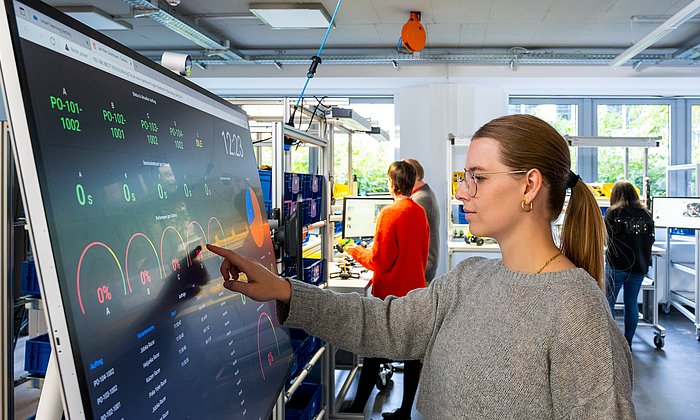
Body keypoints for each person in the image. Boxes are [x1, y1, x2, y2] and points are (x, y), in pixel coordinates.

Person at [207, 114, 635, 419]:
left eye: (477, 178)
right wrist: (285, 290)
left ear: (529, 185)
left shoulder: (577, 310)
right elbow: (386, 324)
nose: (463, 192)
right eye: (464, 177)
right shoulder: (471, 278)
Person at [344, 161, 429, 418]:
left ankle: (358, 406)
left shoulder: (390, 214)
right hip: (416, 293)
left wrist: (353, 249)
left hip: (390, 297)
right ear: (413, 182)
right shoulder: (418, 212)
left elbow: (379, 261)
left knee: (373, 351)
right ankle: (405, 411)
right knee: (412, 356)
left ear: (391, 184)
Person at [604, 180, 655, 348]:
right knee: (631, 303)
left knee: (609, 302)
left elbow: (605, 238)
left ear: (615, 195)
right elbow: (651, 239)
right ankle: (628, 342)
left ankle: (612, 343)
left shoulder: (613, 213)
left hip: (617, 265)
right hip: (639, 267)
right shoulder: (646, 214)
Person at [404, 158, 441, 284]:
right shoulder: (423, 193)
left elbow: (409, 234)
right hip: (426, 264)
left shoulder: (421, 199)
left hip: (424, 267)